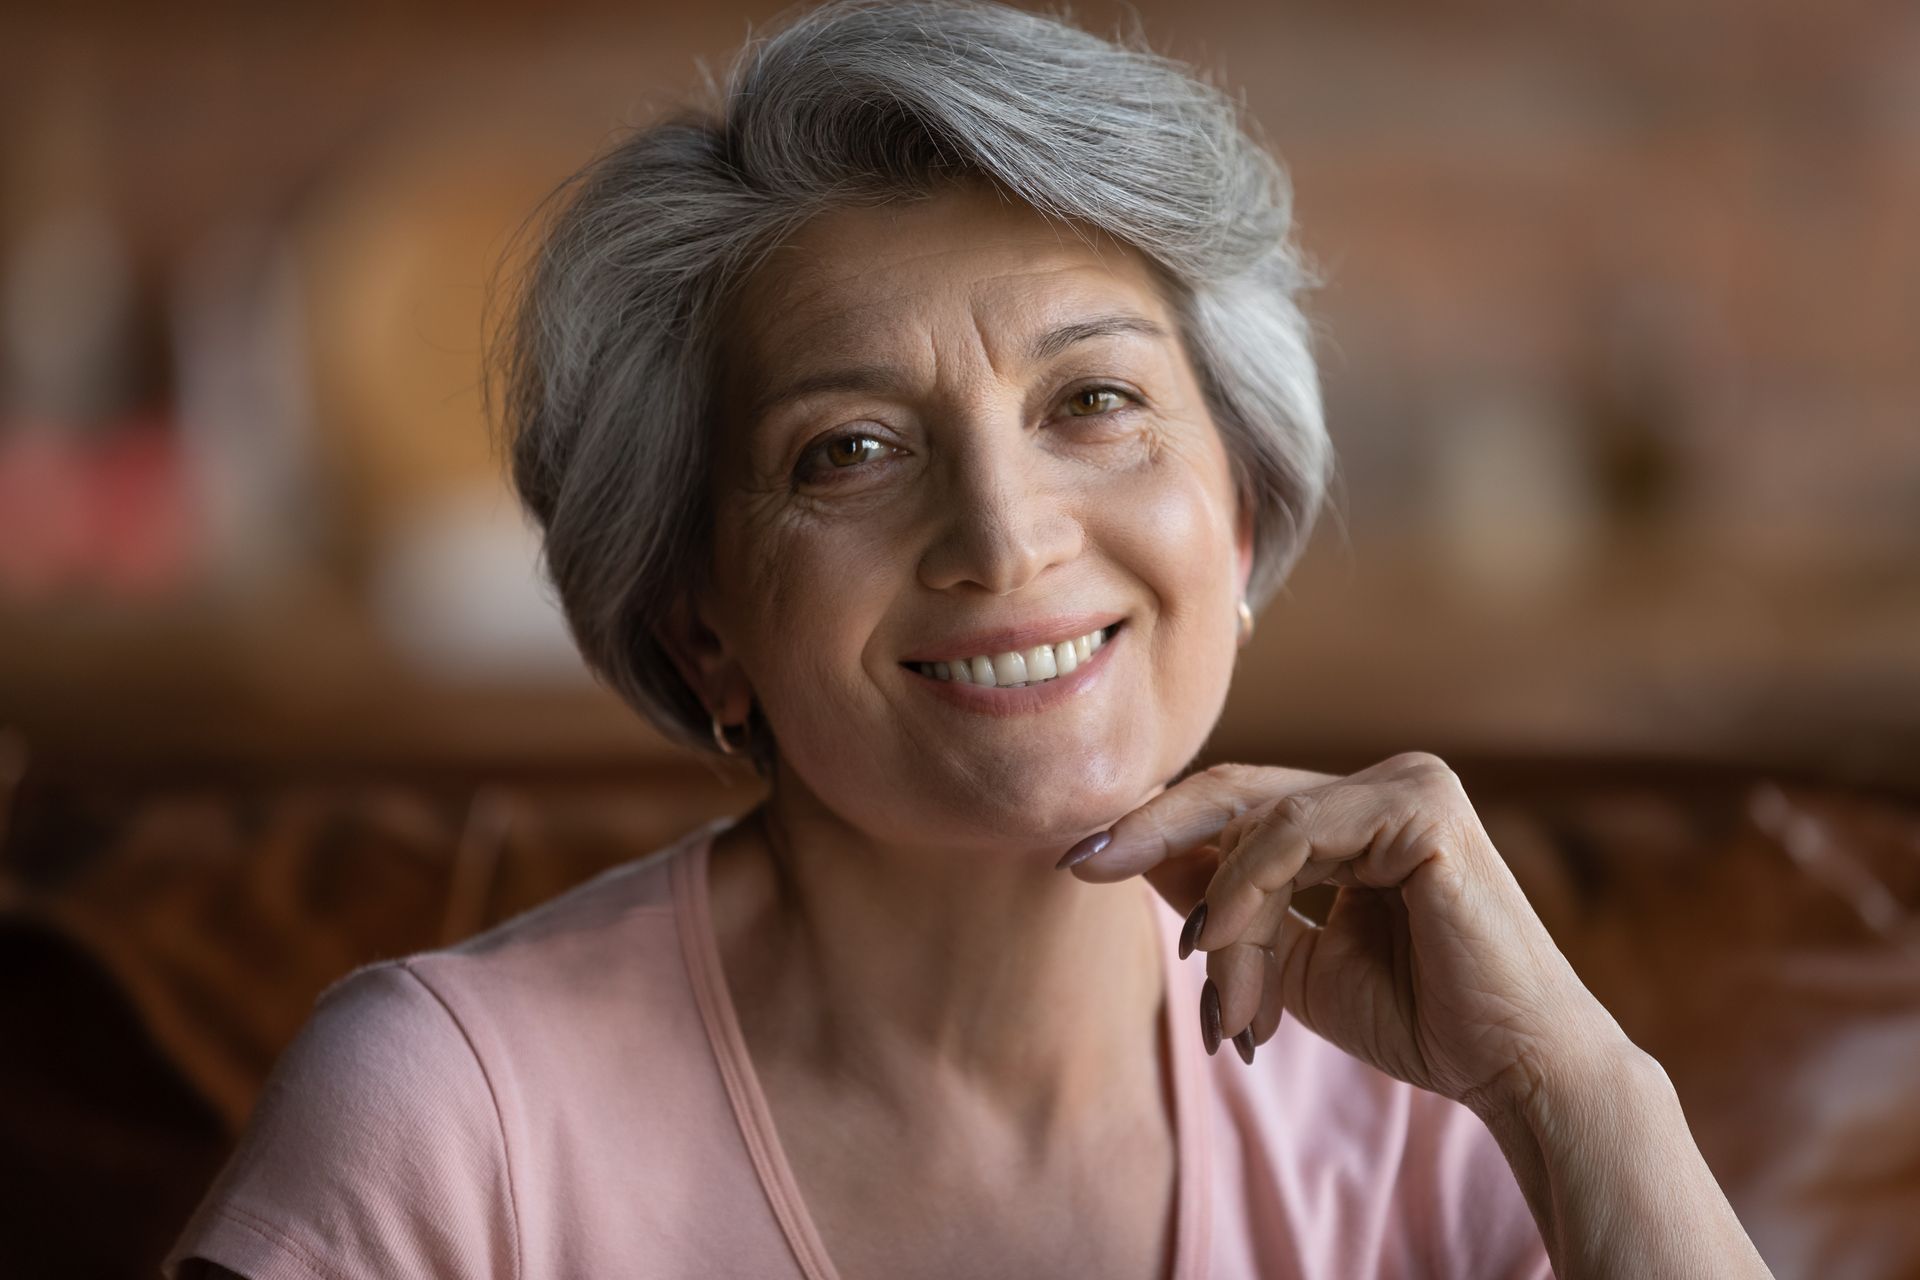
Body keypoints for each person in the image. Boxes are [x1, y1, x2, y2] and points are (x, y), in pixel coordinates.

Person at [165, 1, 1774, 1276]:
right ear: (700, 625)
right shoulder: (453, 1119)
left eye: (1096, 401)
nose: (1005, 538)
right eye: (849, 450)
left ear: (1236, 518)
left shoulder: (1438, 1105)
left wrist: (1578, 1093)